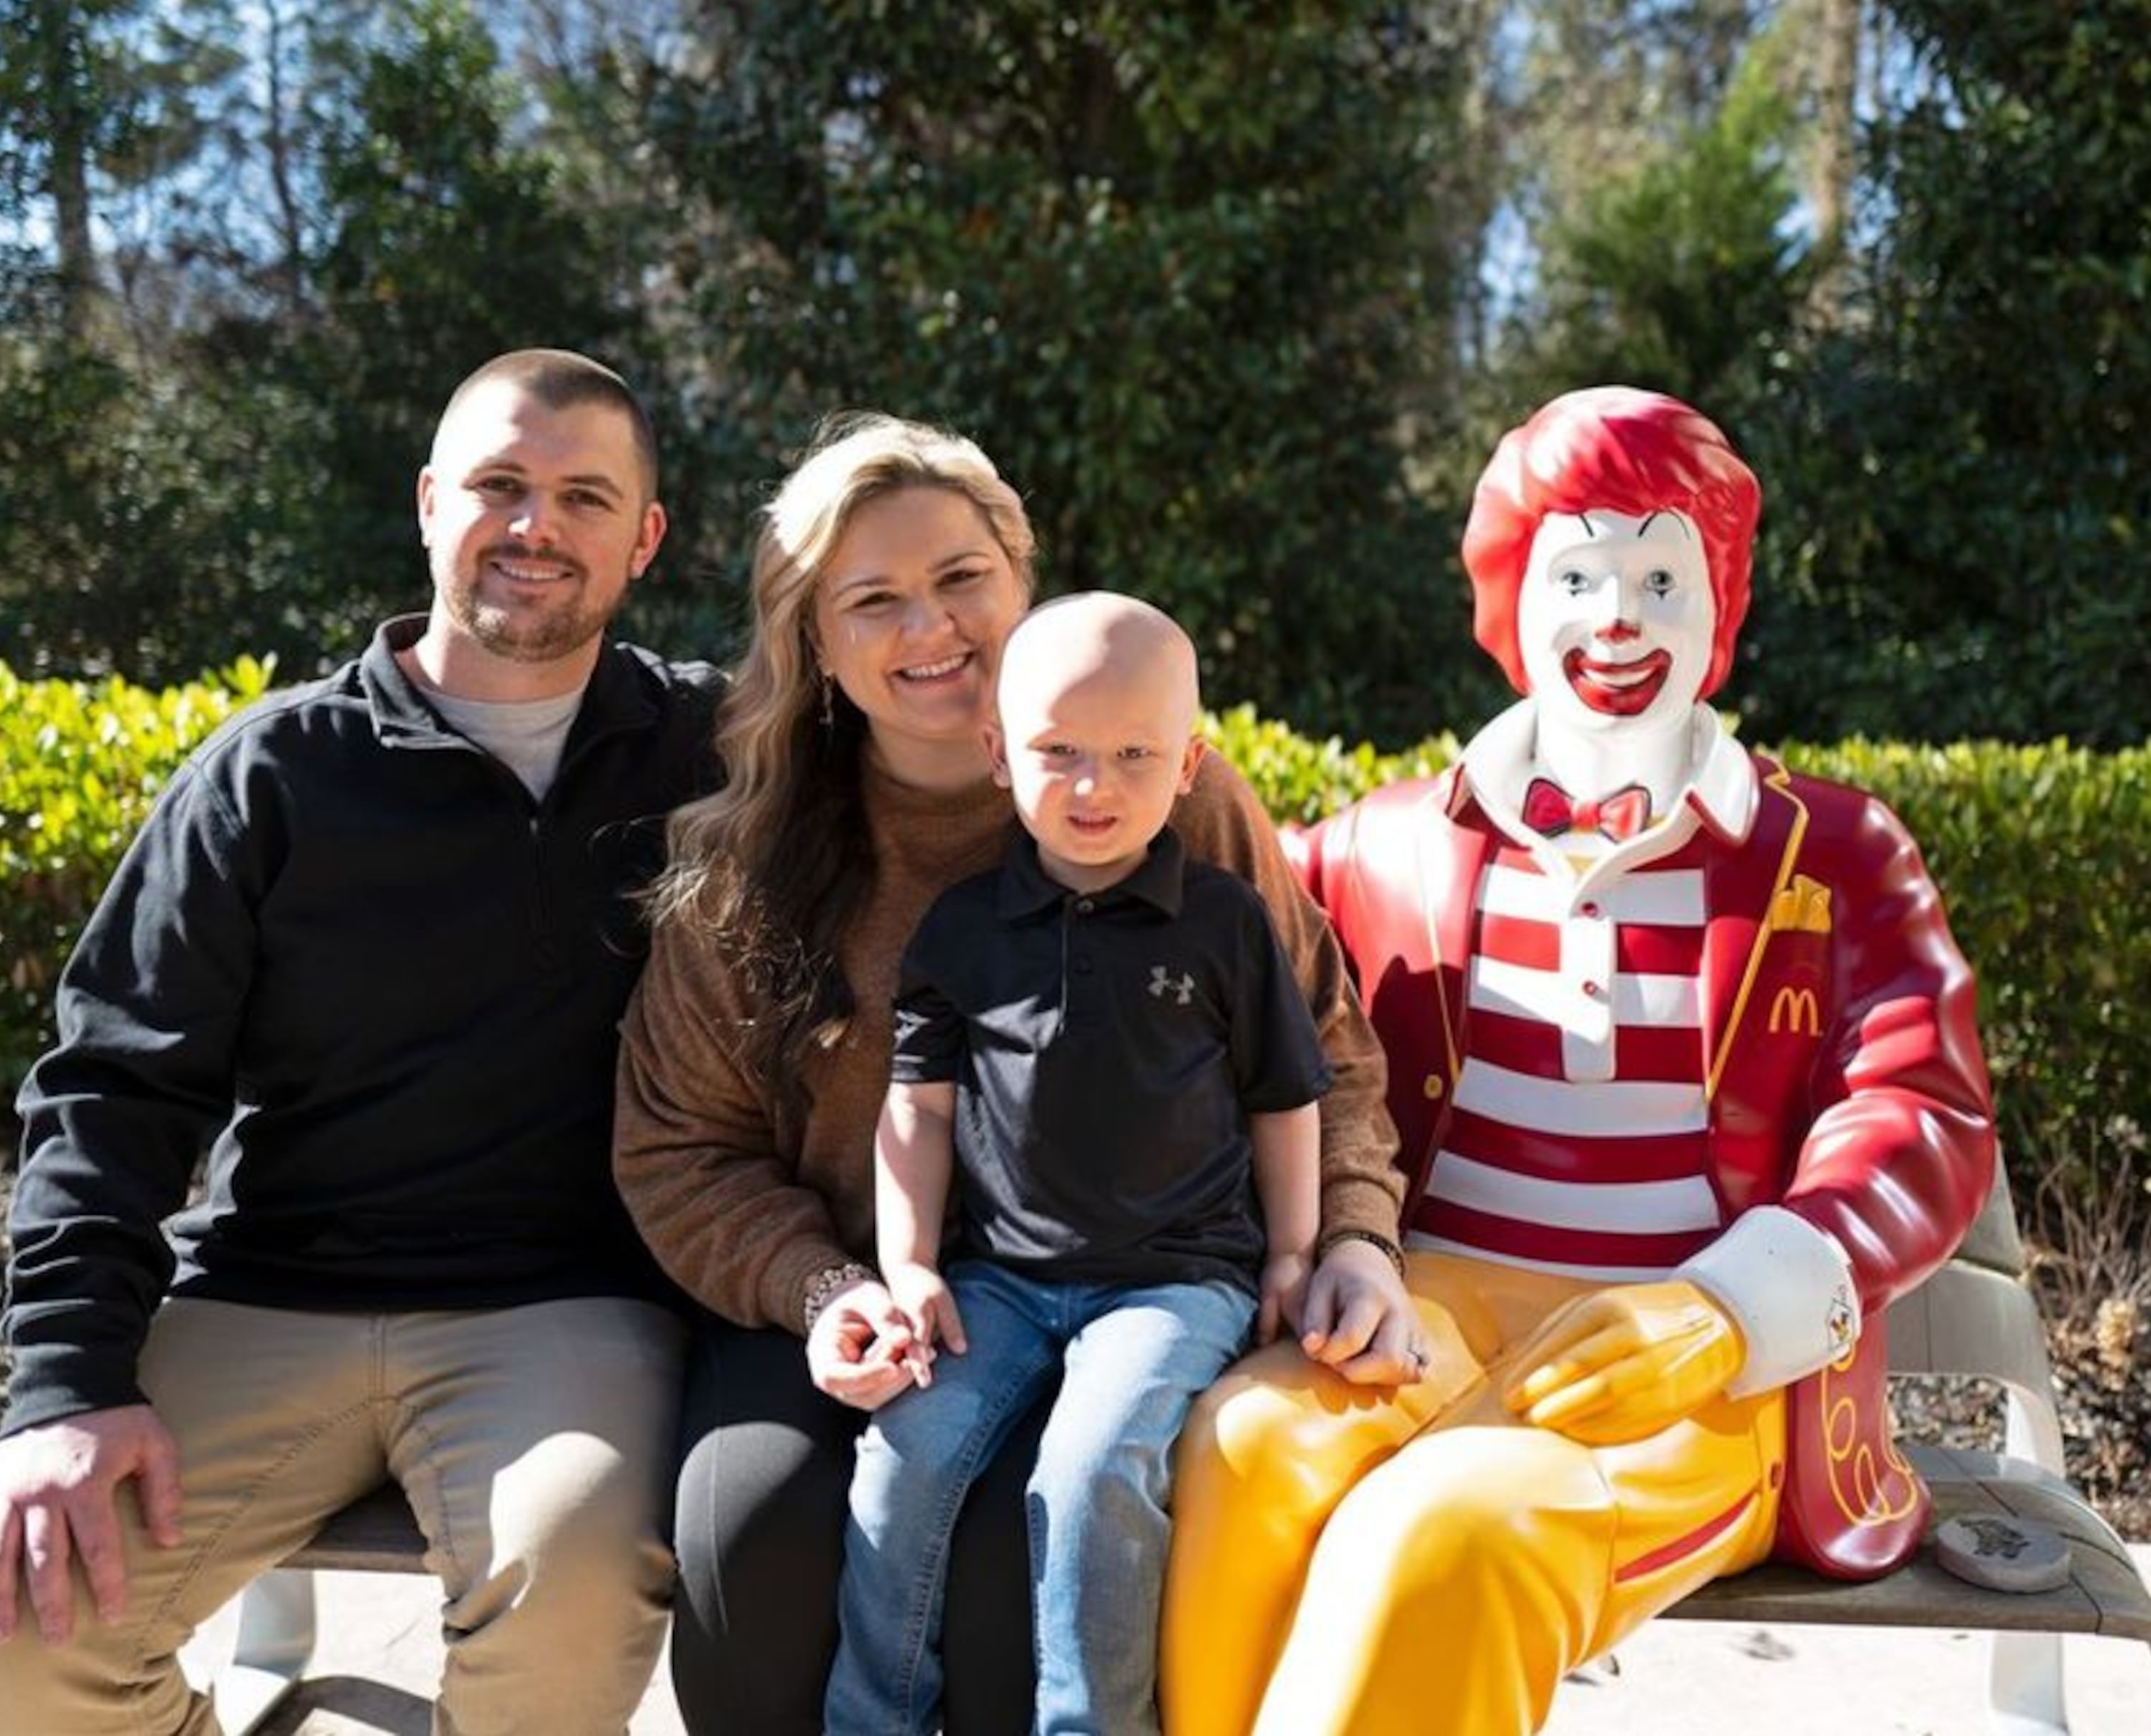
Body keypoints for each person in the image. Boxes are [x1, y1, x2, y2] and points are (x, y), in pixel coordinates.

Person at [1161, 386, 2000, 1735]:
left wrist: (1729, 1308)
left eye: (1660, 577)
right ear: (1512, 603)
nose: (1617, 619)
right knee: (1247, 1448)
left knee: (1456, 1529)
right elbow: (1227, 961)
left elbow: (1922, 1109)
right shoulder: (1384, 846)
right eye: (1579, 575)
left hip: (1700, 1354)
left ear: (1717, 607)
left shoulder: (1834, 855)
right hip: (1421, 1309)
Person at [0, 350, 723, 1735]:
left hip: (561, 1309)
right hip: (266, 1292)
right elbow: (111, 1085)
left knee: (575, 1584)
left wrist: (1172, 796)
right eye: (499, 485)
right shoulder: (272, 774)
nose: (536, 526)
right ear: (428, 504)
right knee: (3, 1643)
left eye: (584, 495)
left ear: (643, 536)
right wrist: (64, 1388)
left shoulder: (715, 750)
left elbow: (977, 751)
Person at [609, 414, 1419, 1736]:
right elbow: (677, 1148)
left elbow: (1319, 1054)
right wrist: (827, 1289)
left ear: (1020, 581)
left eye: (960, 578)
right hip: (871, 1302)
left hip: (1150, 1282)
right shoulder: (746, 865)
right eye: (874, 599)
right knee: (748, 1541)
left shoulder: (1174, 806)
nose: (930, 625)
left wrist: (1356, 1241)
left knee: (1021, 1565)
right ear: (815, 639)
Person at [827, 590, 1327, 1735]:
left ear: (1190, 762)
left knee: (1092, 1473)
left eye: (1132, 755)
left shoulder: (1226, 924)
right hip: (997, 1281)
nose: (1094, 787)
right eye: (1059, 753)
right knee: (904, 1456)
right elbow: (918, 1111)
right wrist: (908, 1267)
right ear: (1000, 753)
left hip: (1173, 1281)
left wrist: (1297, 1250)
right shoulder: (961, 928)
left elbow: (1286, 1099)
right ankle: (871, 1721)